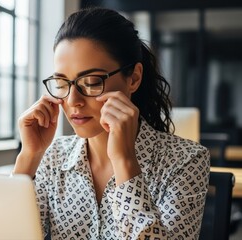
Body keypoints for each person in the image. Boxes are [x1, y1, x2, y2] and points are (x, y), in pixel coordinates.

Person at [13, 7, 210, 240]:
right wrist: (29, 156)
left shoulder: (186, 161)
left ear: (134, 78)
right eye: (62, 83)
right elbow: (5, 234)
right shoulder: (53, 157)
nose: (73, 101)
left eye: (91, 81)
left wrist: (124, 160)